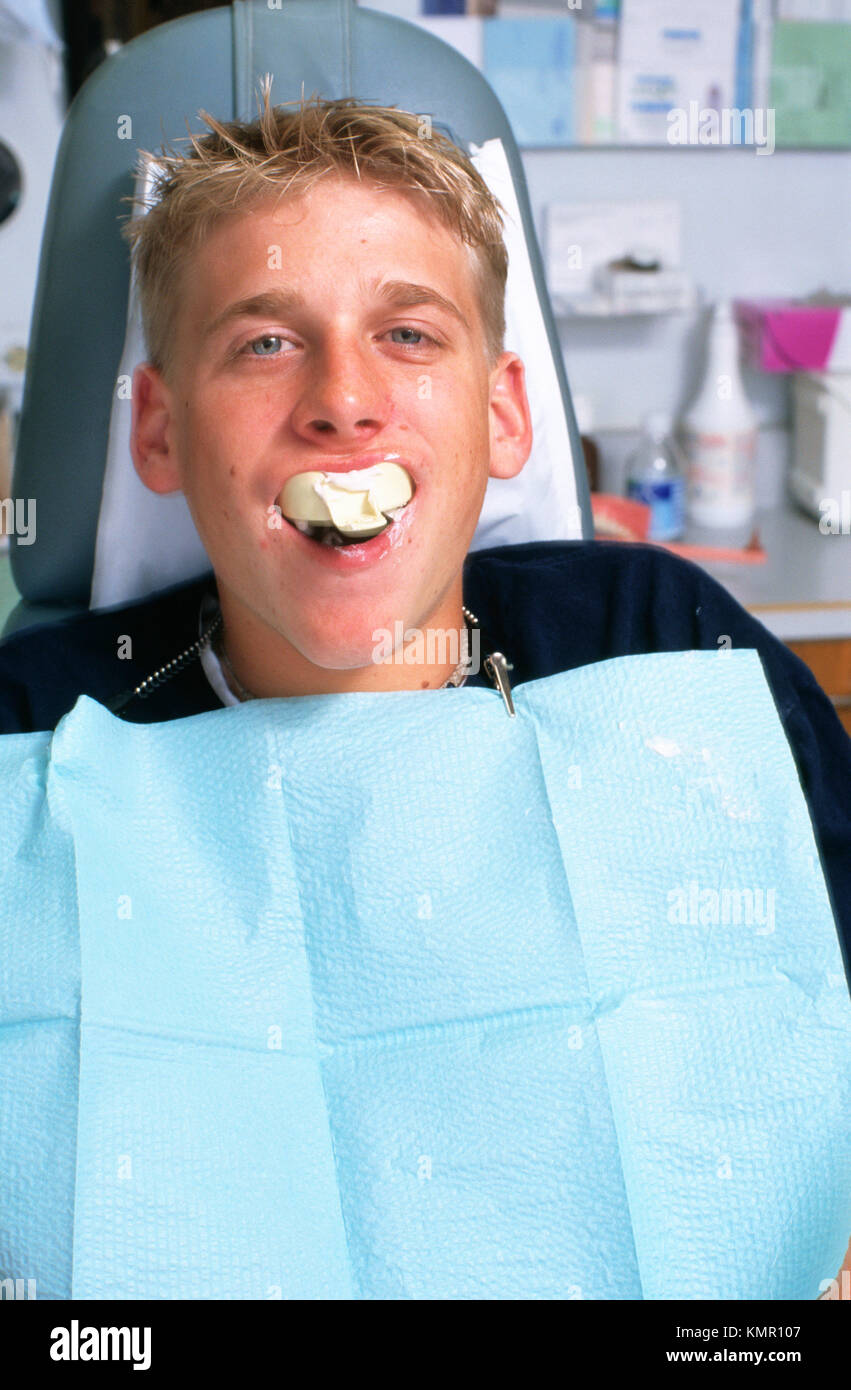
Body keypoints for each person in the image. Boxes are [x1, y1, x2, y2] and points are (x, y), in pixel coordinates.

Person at [1, 87, 849, 1299]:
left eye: (406, 334)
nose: (343, 401)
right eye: (264, 341)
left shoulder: (657, 647)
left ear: (503, 414)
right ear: (161, 434)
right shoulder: (33, 743)